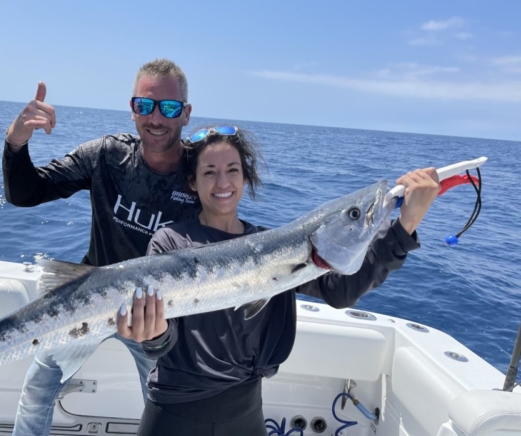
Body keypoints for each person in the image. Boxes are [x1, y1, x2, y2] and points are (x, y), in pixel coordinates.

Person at [117, 125, 440, 436]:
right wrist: (154, 334)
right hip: (174, 412)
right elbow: (161, 342)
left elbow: (341, 291)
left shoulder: (272, 244)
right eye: (209, 172)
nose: (222, 182)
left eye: (232, 170)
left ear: (245, 177)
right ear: (192, 181)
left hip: (246, 412)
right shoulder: (171, 243)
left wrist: (404, 226)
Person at [2, 59, 200, 435]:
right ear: (132, 109)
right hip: (88, 299)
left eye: (169, 107)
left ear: (185, 114)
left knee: (167, 409)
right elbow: (27, 192)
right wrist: (15, 142)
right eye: (144, 105)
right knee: (37, 388)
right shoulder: (106, 156)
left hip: (158, 316)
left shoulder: (200, 173)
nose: (155, 118)